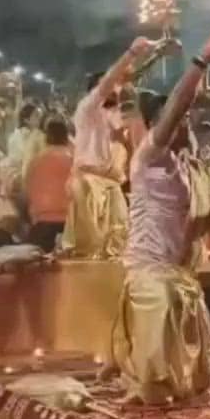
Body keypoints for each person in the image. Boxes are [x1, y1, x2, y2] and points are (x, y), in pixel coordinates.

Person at [111, 36, 210, 405]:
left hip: (183, 275)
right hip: (151, 275)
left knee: (194, 394)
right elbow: (179, 107)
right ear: (157, 124)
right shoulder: (150, 156)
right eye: (179, 121)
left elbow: (206, 228)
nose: (187, 126)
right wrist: (201, 62)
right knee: (156, 394)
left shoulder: (191, 167)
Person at [66, 37, 152, 258]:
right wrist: (131, 54)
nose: (116, 91)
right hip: (89, 185)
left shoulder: (116, 115)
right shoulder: (87, 109)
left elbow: (140, 144)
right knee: (88, 251)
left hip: (114, 187)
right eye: (112, 87)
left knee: (119, 250)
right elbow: (109, 82)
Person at [26, 119, 74, 253]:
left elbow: (28, 192)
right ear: (66, 137)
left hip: (42, 226)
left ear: (46, 138)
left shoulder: (35, 161)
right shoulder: (75, 158)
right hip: (71, 227)